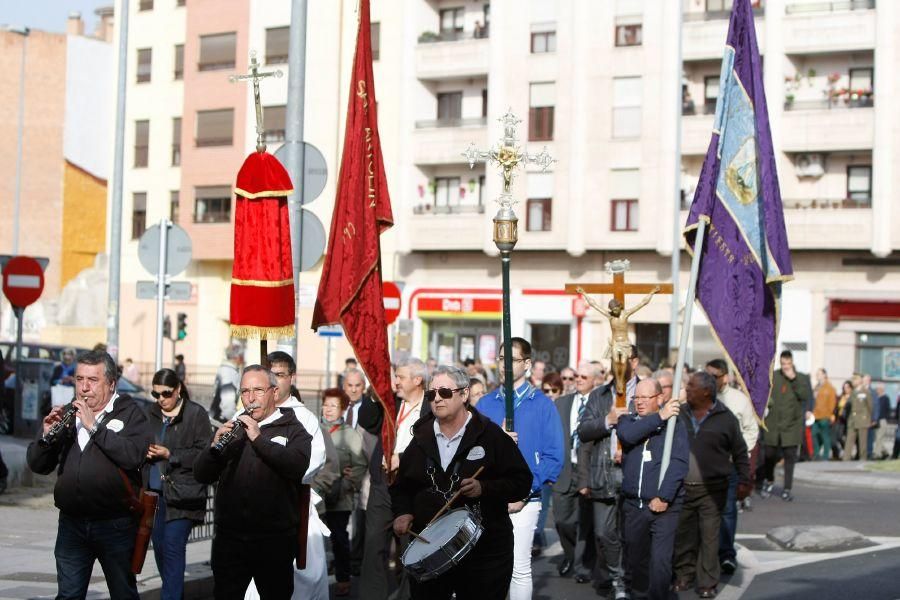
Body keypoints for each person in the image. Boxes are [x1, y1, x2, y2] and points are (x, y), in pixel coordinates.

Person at [390, 365, 533, 599]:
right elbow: (401, 489)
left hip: (485, 553)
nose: (436, 399)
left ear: (464, 394)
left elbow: (521, 482)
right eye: (431, 394)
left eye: (445, 392)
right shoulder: (419, 439)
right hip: (430, 551)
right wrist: (402, 513)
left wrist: (484, 488)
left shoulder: (490, 436)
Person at [27, 350, 153, 599]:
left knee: (123, 594)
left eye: (93, 381)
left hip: (115, 523)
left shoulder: (130, 414)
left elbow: (132, 456)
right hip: (72, 523)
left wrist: (94, 427)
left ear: (111, 383)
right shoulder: (67, 413)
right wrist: (46, 437)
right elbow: (38, 465)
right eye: (79, 379)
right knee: (68, 595)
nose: (84, 388)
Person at [194, 365, 312, 599]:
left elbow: (297, 465)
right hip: (230, 539)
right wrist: (213, 448)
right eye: (245, 391)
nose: (251, 398)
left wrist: (258, 439)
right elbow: (201, 474)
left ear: (274, 392)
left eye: (258, 390)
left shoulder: (293, 429)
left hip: (274, 539)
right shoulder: (235, 427)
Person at [477, 338, 564, 600]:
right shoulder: (485, 404)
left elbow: (553, 457)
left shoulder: (542, 404)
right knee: (485, 567)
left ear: (526, 364)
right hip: (488, 497)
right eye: (501, 359)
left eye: (511, 360)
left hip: (524, 500)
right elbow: (472, 453)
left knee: (518, 568)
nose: (504, 365)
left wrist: (523, 492)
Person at [357, 358, 431, 600]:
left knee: (412, 551)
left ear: (417, 380)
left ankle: (408, 596)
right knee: (374, 547)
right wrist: (373, 391)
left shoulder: (431, 407)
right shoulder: (390, 401)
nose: (395, 381)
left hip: (413, 488)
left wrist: (405, 459)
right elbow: (366, 420)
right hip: (382, 484)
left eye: (400, 377)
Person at [672, 372, 751, 599]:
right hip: (682, 487)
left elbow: (740, 452)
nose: (687, 389)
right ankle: (683, 575)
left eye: (692, 386)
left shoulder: (726, 419)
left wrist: (745, 480)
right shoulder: (679, 413)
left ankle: (707, 581)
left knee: (709, 537)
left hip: (713, 489)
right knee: (684, 536)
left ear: (706, 391)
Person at [145, 368, 212, 600]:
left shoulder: (196, 414)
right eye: (156, 395)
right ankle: (174, 594)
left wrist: (170, 454)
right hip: (154, 494)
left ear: (178, 389)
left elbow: (204, 453)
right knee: (161, 549)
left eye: (166, 393)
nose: (161, 399)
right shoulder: (150, 414)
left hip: (184, 494)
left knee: (173, 546)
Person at [618, 378, 687, 600]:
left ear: (659, 398)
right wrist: (660, 416)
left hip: (664, 506)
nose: (639, 402)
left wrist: (664, 496)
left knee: (660, 562)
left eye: (645, 397)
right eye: (636, 397)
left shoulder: (675, 425)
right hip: (634, 505)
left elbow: (678, 463)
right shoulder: (627, 421)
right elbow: (628, 436)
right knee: (636, 560)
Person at [575, 372, 627, 598]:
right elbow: (584, 435)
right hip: (603, 473)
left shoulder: (643, 392)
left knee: (630, 532)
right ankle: (616, 576)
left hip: (634, 473)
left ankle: (625, 580)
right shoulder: (600, 396)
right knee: (604, 532)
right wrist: (608, 420)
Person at [705, 359, 758, 576]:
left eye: (714, 377)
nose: (709, 381)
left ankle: (726, 554)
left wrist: (739, 452)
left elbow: (750, 430)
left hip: (728, 464)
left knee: (727, 509)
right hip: (704, 464)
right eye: (706, 376)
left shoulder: (739, 400)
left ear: (725, 377)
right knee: (704, 509)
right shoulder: (700, 399)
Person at [320, 388, 368, 597]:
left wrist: (349, 482)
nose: (328, 410)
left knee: (339, 538)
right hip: (317, 495)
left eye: (334, 406)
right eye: (326, 405)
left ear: (342, 410)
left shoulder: (350, 434)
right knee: (315, 539)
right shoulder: (315, 429)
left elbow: (360, 464)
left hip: (340, 497)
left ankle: (343, 577)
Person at [552, 362, 596, 580]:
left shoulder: (600, 404)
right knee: (562, 520)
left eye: (583, 377)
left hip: (588, 470)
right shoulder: (561, 403)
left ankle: (582, 565)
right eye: (576, 376)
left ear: (594, 380)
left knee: (584, 522)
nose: (578, 379)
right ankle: (570, 555)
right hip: (564, 469)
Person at [761, 350, 812, 501]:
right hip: (773, 425)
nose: (785, 367)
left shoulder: (801, 378)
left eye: (788, 364)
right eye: (783, 364)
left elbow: (805, 396)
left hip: (791, 426)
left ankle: (787, 488)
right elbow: (766, 394)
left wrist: (794, 379)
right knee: (769, 455)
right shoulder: (774, 376)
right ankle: (769, 480)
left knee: (790, 458)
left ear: (792, 363)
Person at [210, 343, 243, 421]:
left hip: (217, 417)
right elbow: (228, 404)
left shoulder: (224, 369)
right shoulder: (229, 373)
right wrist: (234, 421)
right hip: (222, 421)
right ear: (237, 357)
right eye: (242, 356)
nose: (243, 359)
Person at [843, 375, 873, 461]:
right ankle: (846, 458)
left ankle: (863, 458)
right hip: (852, 419)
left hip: (862, 419)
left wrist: (869, 418)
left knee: (862, 441)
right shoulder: (853, 392)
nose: (853, 382)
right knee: (849, 440)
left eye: (855, 380)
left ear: (860, 381)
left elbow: (870, 406)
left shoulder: (865, 392)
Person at [811, 369, 837, 460]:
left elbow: (832, 403)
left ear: (824, 375)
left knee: (825, 436)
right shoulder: (817, 387)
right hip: (815, 416)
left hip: (825, 416)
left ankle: (825, 456)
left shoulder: (830, 388)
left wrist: (829, 414)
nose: (817, 376)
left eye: (819, 374)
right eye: (816, 374)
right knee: (813, 434)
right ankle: (816, 453)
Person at [833, 380, 853, 460]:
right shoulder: (841, 396)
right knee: (837, 437)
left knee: (842, 437)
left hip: (847, 419)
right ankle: (841, 451)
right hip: (839, 419)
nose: (846, 389)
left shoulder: (852, 397)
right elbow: (837, 407)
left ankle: (847, 452)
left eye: (847, 387)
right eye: (844, 388)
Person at [872, 384, 892, 460]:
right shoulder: (876, 398)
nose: (877, 390)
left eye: (878, 389)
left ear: (882, 389)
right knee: (878, 438)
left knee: (879, 437)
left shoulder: (885, 398)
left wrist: (886, 418)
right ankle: (885, 452)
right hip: (876, 420)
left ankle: (877, 454)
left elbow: (888, 410)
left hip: (882, 420)